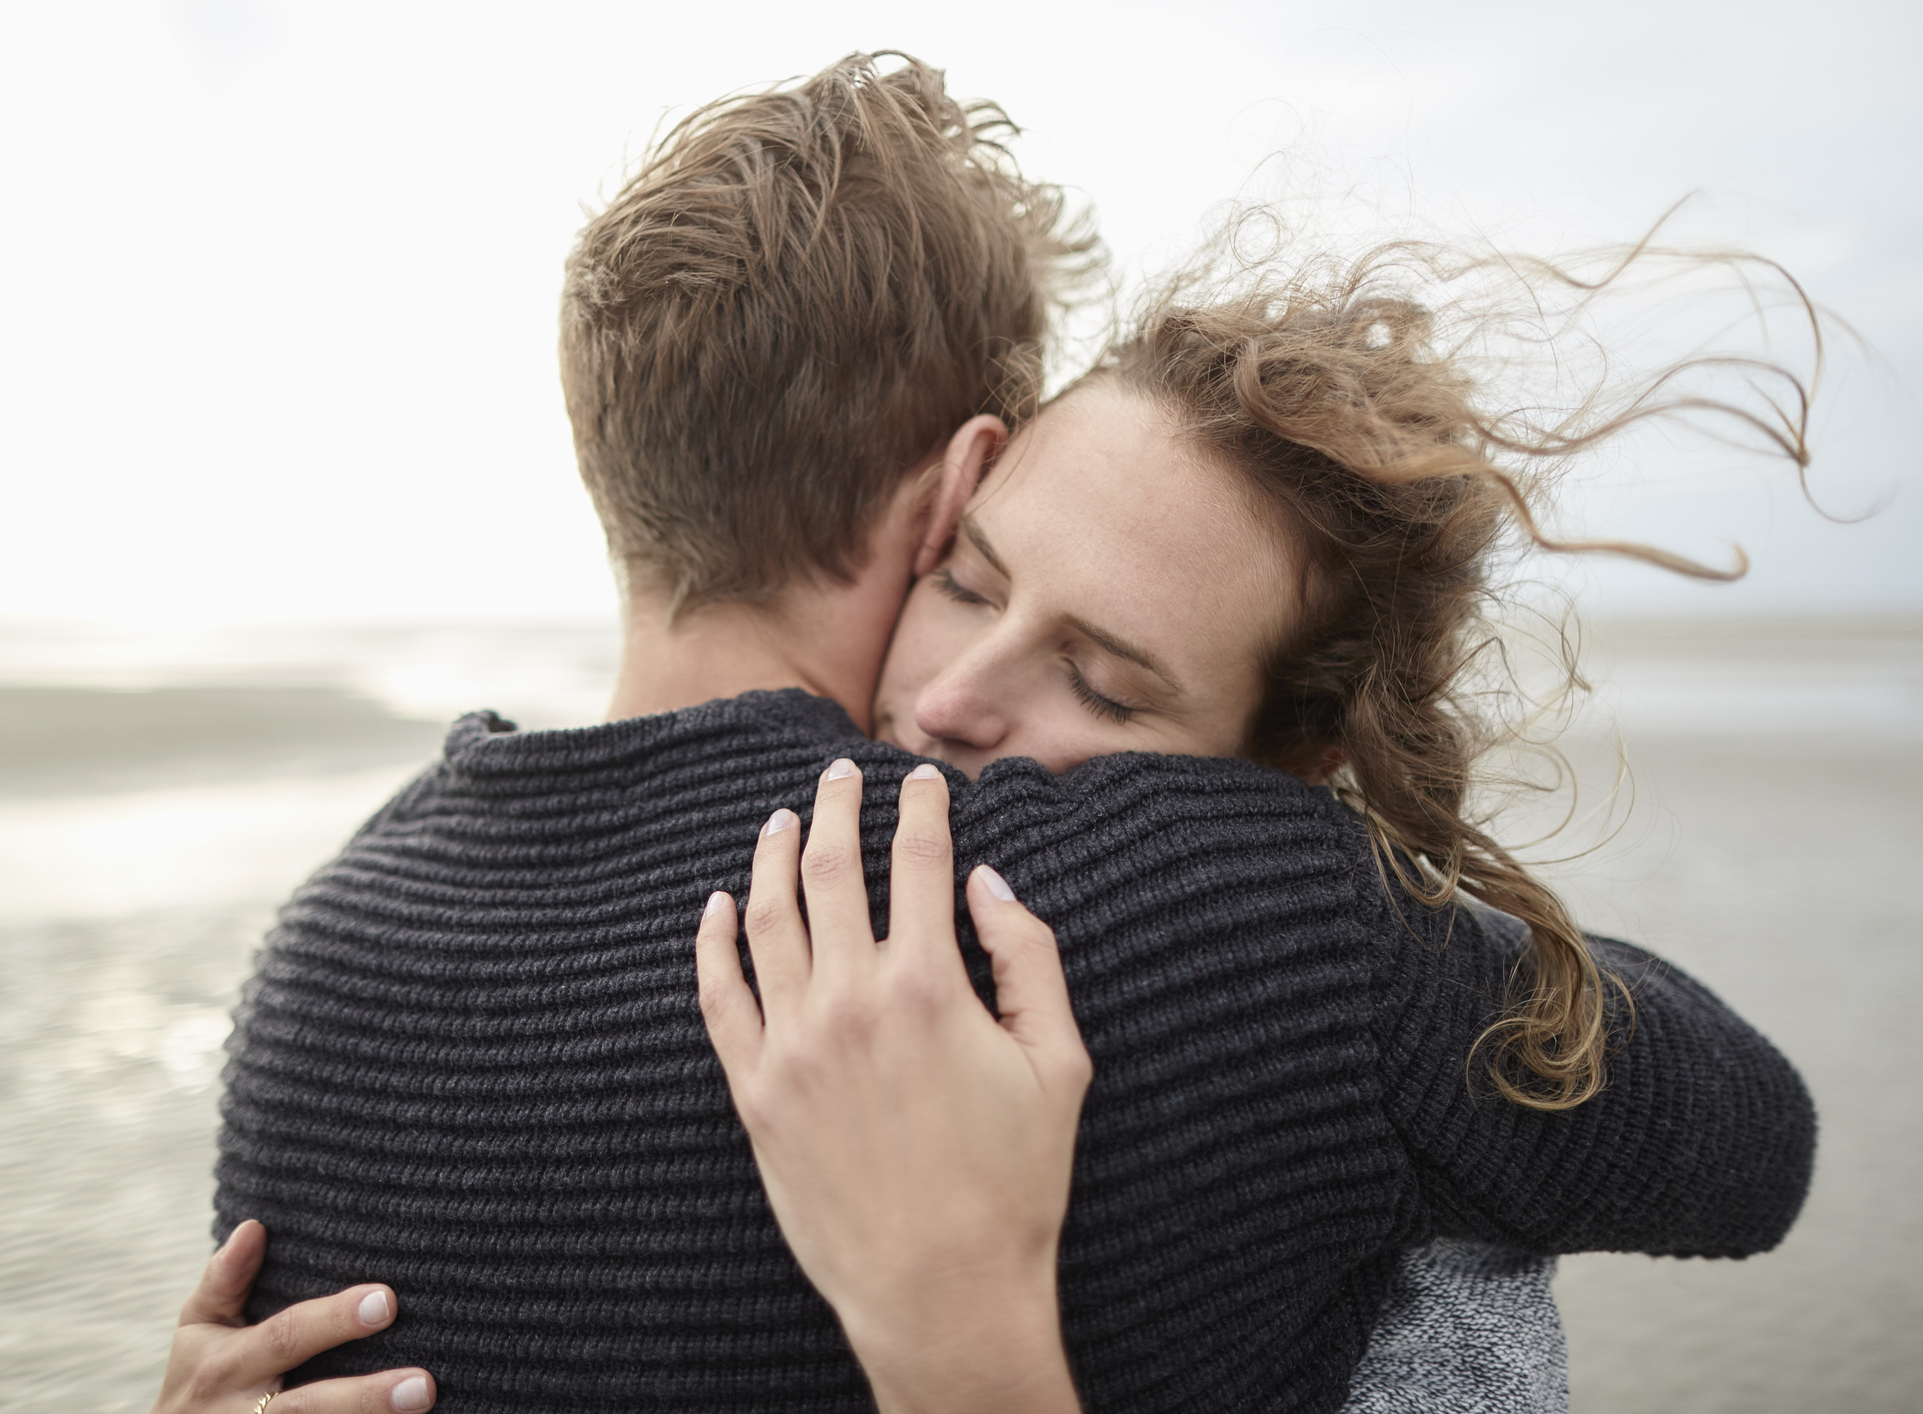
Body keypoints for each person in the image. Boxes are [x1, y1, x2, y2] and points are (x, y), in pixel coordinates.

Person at [175, 56, 1810, 1414]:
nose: (958, 705)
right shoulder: (1235, 919)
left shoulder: (314, 963)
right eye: (968, 580)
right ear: (957, 481)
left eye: (1107, 684)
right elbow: (1751, 1140)